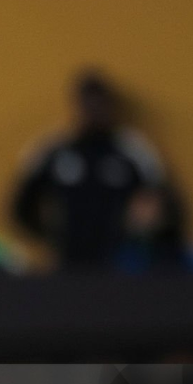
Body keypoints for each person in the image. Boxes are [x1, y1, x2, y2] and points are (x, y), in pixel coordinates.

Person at [11, 69, 164, 269]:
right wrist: (50, 235)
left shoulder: (133, 151)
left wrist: (136, 235)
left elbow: (163, 202)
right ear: (77, 105)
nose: (94, 111)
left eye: (100, 104)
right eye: (88, 104)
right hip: (67, 260)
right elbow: (21, 202)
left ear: (111, 106)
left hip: (120, 263)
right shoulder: (55, 149)